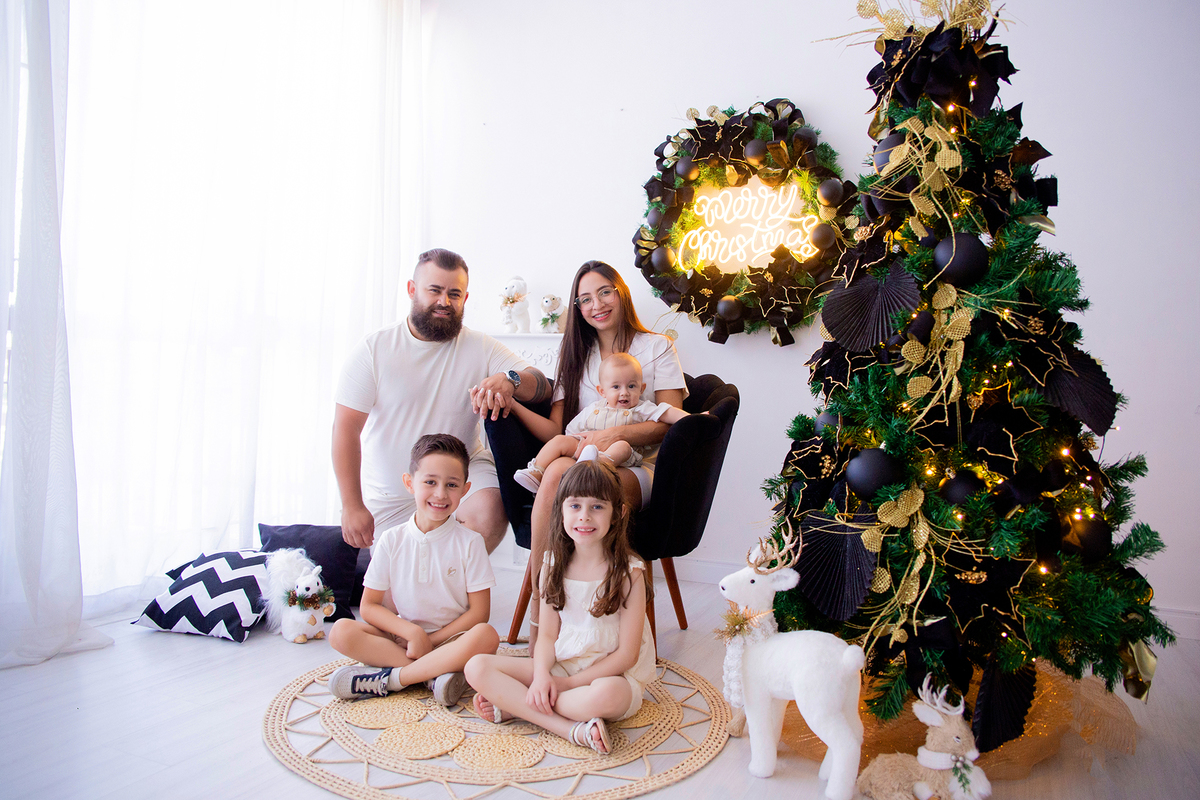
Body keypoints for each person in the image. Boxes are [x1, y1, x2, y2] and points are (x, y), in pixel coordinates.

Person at [333, 248, 553, 553]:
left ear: (464, 298)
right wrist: (351, 505)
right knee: (397, 596)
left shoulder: (480, 346)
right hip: (392, 495)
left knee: (488, 511)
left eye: (454, 293)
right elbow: (345, 429)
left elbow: (542, 385)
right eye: (434, 290)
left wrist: (511, 380)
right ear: (412, 290)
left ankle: (455, 589)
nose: (444, 301)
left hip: (461, 474)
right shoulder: (373, 349)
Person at [520, 260, 686, 648]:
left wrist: (615, 432)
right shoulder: (576, 356)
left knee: (563, 475)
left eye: (604, 292)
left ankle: (545, 629)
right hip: (582, 456)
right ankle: (543, 619)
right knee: (558, 472)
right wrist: (513, 404)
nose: (596, 304)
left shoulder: (657, 347)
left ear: (621, 292)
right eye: (584, 299)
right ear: (577, 309)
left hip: (636, 463)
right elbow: (557, 431)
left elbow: (672, 422)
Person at [464, 460, 656, 753]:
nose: (585, 517)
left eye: (597, 507)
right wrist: (543, 676)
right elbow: (548, 638)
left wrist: (567, 685)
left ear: (618, 513)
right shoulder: (552, 565)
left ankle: (519, 705)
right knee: (476, 666)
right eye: (575, 506)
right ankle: (571, 730)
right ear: (562, 510)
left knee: (608, 695)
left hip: (608, 677)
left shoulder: (630, 574)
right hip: (561, 668)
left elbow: (627, 656)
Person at [327, 434, 500, 705]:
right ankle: (435, 676)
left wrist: (431, 640)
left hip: (452, 640)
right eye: (430, 482)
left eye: (451, 485)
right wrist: (412, 633)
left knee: (486, 636)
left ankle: (396, 679)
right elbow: (370, 606)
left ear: (465, 490)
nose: (441, 493)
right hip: (403, 640)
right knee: (341, 632)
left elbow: (480, 613)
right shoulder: (392, 539)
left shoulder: (470, 542)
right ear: (410, 483)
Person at [511, 352, 692, 492]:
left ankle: (599, 466)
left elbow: (667, 412)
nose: (624, 393)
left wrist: (691, 418)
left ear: (641, 388)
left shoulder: (641, 408)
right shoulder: (594, 408)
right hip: (587, 448)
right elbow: (572, 429)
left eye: (631, 386)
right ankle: (536, 471)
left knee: (622, 445)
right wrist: (574, 442)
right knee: (559, 441)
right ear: (602, 391)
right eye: (616, 387)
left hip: (623, 457)